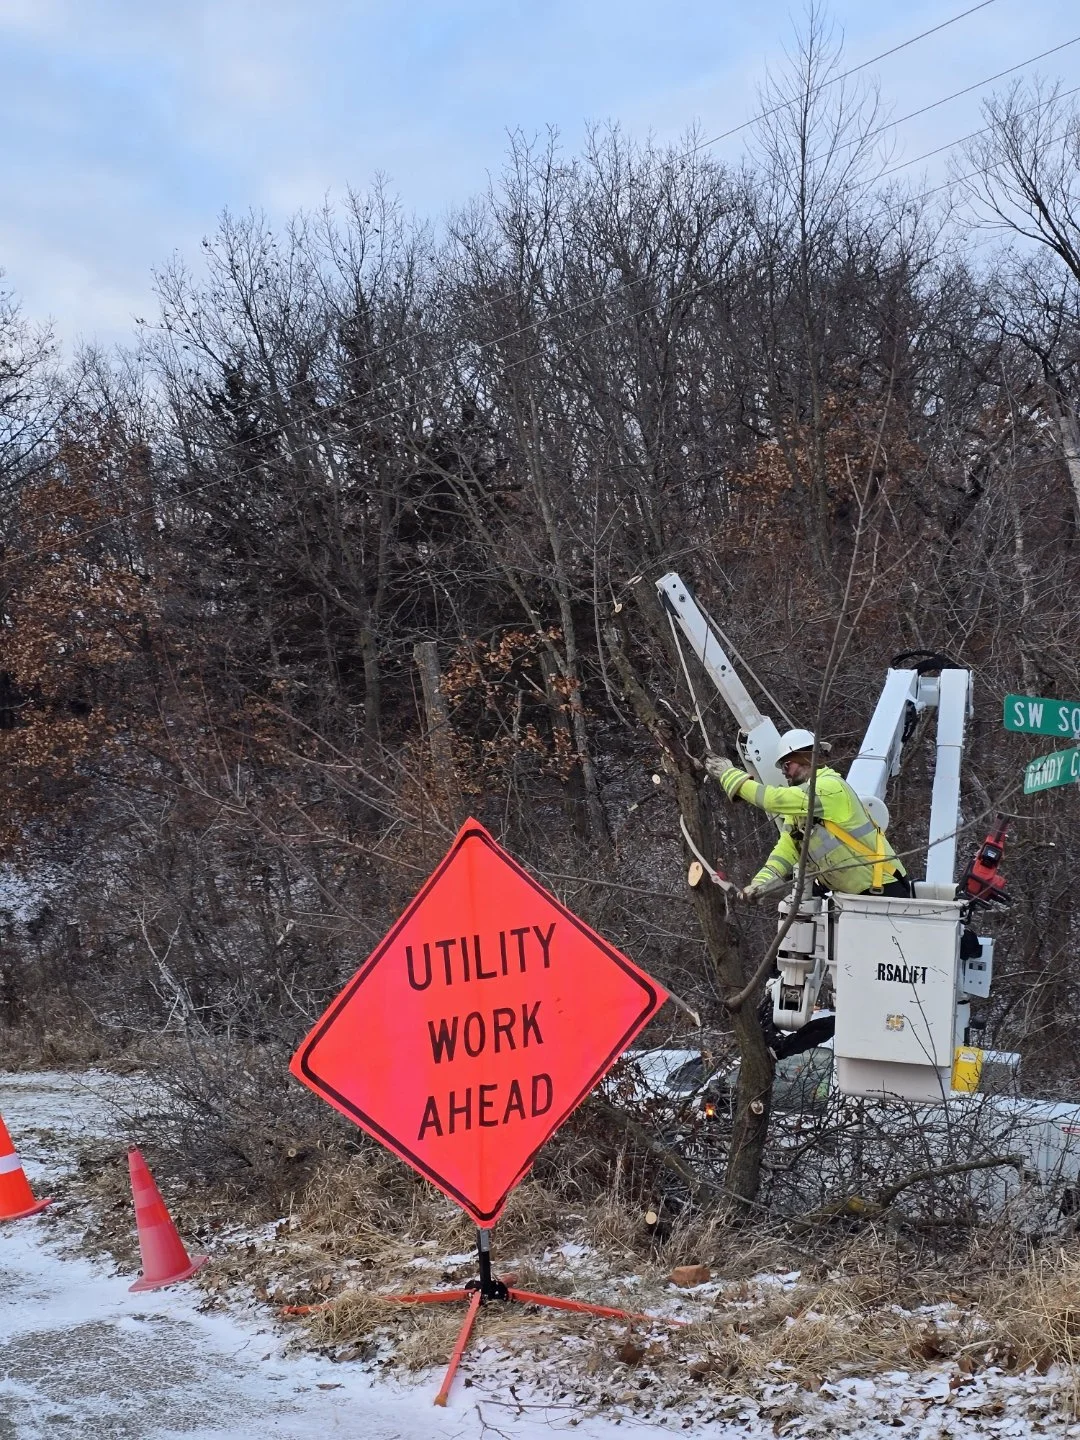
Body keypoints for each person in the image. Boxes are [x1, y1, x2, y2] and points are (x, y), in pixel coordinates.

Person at [705, 728, 912, 902]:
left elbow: (772, 800)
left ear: (806, 758)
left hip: (885, 889)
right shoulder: (799, 813)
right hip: (857, 897)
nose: (784, 773)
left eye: (787, 765)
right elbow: (784, 853)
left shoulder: (830, 788)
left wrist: (728, 774)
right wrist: (760, 885)